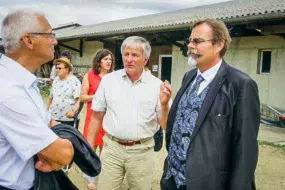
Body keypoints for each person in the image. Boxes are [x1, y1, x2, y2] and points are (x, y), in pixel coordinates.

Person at [161, 19, 260, 190]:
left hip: (208, 183)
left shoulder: (240, 84)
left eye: (197, 41)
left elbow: (245, 149)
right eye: (190, 41)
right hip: (173, 180)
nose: (190, 46)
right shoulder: (189, 77)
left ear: (218, 45)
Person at [0, 9, 74, 190]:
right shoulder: (9, 91)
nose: (55, 41)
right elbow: (63, 155)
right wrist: (68, 147)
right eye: (50, 34)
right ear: (29, 40)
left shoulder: (23, 80)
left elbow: (49, 123)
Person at [87, 36, 172, 190]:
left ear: (145, 60)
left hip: (142, 151)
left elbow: (165, 124)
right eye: (126, 54)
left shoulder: (156, 86)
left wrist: (165, 104)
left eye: (135, 55)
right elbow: (96, 116)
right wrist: (88, 148)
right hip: (112, 149)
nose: (129, 59)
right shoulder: (109, 81)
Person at [80, 49, 114, 189]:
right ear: (99, 61)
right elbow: (82, 97)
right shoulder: (89, 76)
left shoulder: (114, 77)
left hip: (109, 120)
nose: (108, 62)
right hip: (93, 119)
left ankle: (106, 178)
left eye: (110, 59)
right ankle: (91, 179)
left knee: (106, 152)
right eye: (105, 59)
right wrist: (98, 96)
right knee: (91, 150)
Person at [47, 56, 81, 127]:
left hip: (68, 119)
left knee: (68, 138)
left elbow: (79, 100)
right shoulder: (55, 80)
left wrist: (73, 112)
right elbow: (51, 98)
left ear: (67, 69)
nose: (57, 70)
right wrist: (47, 111)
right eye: (56, 68)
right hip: (54, 118)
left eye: (60, 68)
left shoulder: (74, 81)